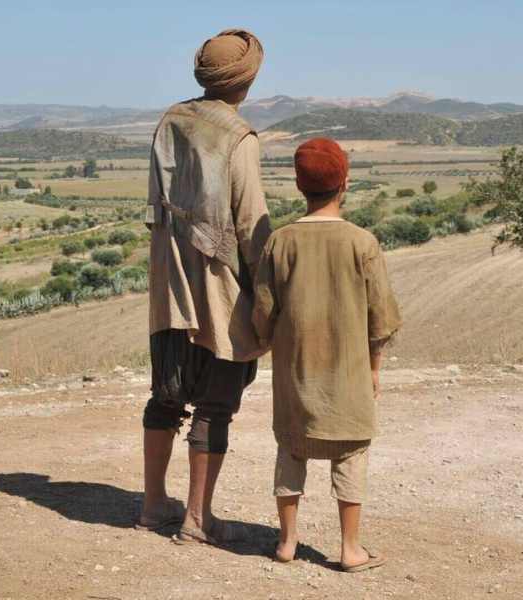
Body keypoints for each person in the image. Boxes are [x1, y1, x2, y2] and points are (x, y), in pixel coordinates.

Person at [139, 29, 272, 546]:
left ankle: (153, 505)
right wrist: (267, 290)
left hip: (168, 278)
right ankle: (198, 517)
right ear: (248, 79)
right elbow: (252, 226)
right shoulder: (238, 138)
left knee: (165, 395)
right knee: (216, 403)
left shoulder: (169, 120)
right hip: (218, 284)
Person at [252, 138, 402, 572]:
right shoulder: (362, 242)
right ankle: (350, 548)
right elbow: (381, 318)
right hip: (349, 378)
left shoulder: (280, 242)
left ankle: (286, 542)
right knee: (351, 454)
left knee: (290, 451)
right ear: (344, 185)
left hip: (296, 377)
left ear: (300, 187)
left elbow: (263, 312)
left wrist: (265, 344)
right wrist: (374, 370)